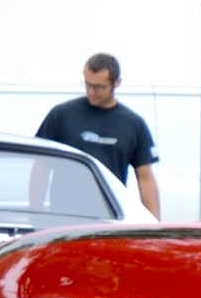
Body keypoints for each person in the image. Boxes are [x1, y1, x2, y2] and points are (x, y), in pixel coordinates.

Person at [35, 53, 160, 216]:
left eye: (99, 87)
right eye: (88, 85)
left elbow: (145, 177)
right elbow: (41, 166)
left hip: (110, 216)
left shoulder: (133, 124)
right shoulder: (61, 115)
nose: (92, 92)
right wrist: (35, 213)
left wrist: (154, 224)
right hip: (64, 216)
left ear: (117, 83)